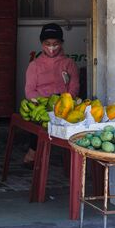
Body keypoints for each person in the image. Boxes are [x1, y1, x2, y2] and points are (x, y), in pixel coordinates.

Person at [23, 23, 79, 166]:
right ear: (42, 44)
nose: (52, 47)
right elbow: (29, 90)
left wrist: (66, 101)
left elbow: (74, 87)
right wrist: (40, 102)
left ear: (61, 43)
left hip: (64, 105)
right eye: (47, 44)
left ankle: (72, 159)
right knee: (39, 121)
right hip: (41, 104)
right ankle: (33, 153)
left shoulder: (69, 63)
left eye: (55, 43)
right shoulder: (34, 65)